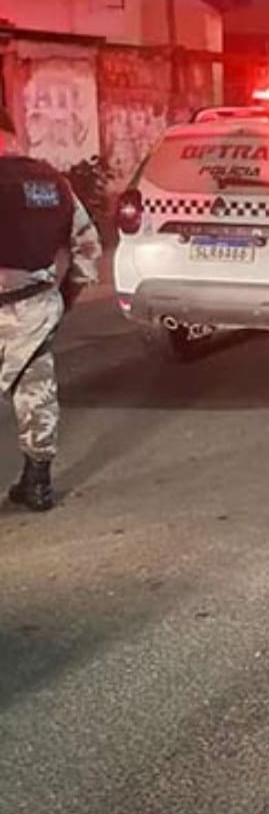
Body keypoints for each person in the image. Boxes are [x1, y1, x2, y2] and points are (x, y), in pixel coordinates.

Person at [0, 105, 101, 511]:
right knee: (36, 393)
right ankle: (38, 484)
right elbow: (88, 244)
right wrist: (67, 295)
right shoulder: (51, 182)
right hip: (36, 305)